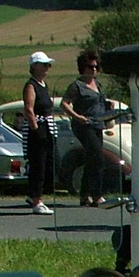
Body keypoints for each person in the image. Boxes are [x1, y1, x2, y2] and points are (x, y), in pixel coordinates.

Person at [61, 49, 120, 207]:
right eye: (89, 66)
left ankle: (85, 194)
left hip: (97, 123)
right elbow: (64, 103)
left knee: (92, 159)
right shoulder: (77, 86)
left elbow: (100, 101)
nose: (93, 69)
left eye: (95, 67)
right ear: (82, 67)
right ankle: (97, 194)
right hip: (84, 125)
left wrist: (109, 106)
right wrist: (76, 116)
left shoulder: (98, 84)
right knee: (98, 158)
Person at [21, 51, 55, 215]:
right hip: (37, 127)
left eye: (48, 65)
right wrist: (36, 130)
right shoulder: (31, 85)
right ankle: (37, 200)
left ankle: (33, 194)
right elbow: (29, 109)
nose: (47, 68)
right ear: (34, 67)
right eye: (44, 64)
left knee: (46, 163)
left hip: (47, 126)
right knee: (38, 165)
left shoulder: (43, 85)